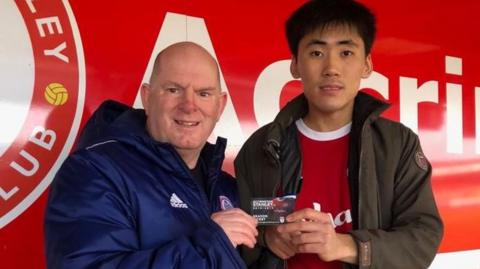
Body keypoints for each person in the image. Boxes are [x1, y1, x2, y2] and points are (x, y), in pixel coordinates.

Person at [234, 0, 443, 268]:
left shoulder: (396, 145)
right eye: (317, 53)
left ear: (366, 65)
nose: (331, 68)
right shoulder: (262, 147)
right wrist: (267, 237)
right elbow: (247, 227)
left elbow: (422, 239)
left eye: (346, 53)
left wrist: (345, 245)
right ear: (295, 65)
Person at [44, 42, 258, 269]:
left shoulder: (225, 187)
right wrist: (209, 247)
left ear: (220, 105)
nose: (189, 105)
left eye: (203, 93)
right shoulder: (92, 171)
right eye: (174, 90)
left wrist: (276, 242)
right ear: (147, 97)